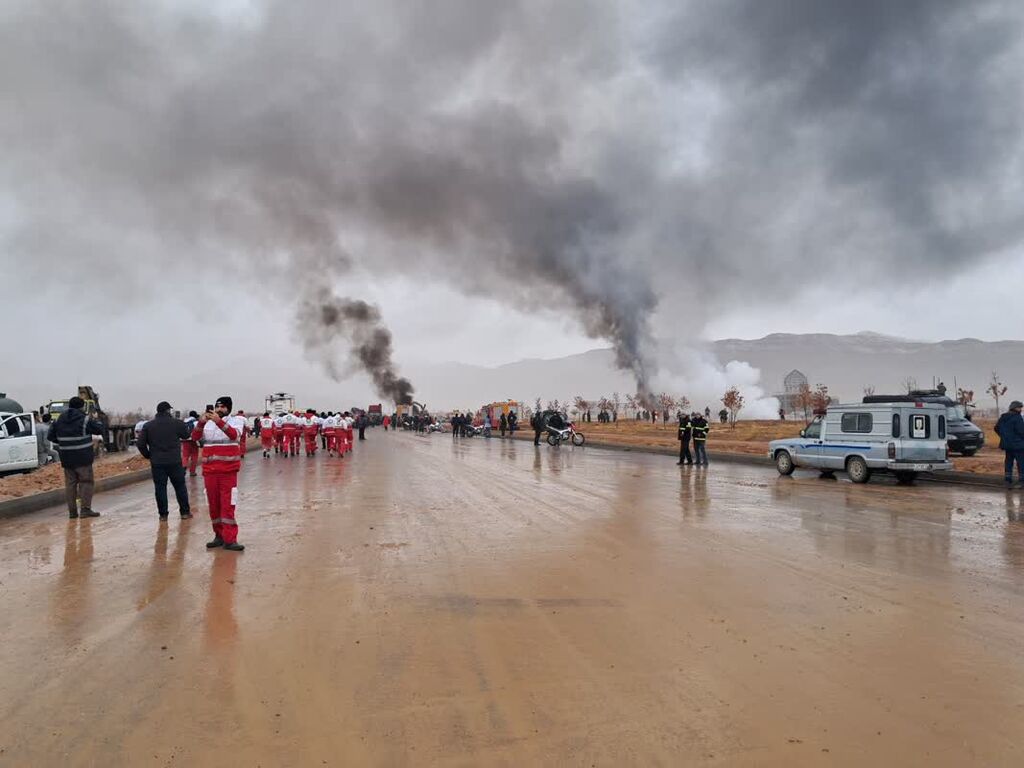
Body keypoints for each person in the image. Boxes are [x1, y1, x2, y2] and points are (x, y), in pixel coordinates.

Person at [192, 396, 245, 552]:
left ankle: (230, 539)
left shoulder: (236, 421)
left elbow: (234, 435)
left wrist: (218, 421)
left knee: (227, 506)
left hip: (228, 471)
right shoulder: (206, 423)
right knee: (214, 506)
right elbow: (194, 437)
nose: (218, 409)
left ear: (229, 408)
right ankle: (219, 536)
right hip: (210, 471)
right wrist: (201, 422)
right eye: (217, 407)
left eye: (222, 407)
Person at [47, 395, 105, 519]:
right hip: (83, 457)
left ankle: (72, 512)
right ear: (82, 407)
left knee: (70, 485)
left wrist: (64, 442)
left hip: (67, 458)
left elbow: (50, 437)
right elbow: (100, 430)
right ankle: (85, 510)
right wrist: (97, 419)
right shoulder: (84, 419)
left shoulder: (59, 420)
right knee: (86, 482)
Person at [137, 401, 192, 521]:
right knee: (180, 486)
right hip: (174, 461)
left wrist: (148, 455)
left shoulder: (148, 426)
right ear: (168, 411)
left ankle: (163, 515)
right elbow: (186, 435)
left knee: (160, 488)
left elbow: (140, 444)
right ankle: (185, 512)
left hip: (157, 463)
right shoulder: (177, 423)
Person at [994, 400, 1024, 487]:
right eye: (1019, 407)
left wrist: (1003, 436)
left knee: (1008, 462)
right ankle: (1022, 481)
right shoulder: (1017, 418)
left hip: (1007, 444)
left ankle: (1008, 480)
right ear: (1015, 408)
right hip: (1018, 445)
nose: (1021, 409)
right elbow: (1021, 431)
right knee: (1021, 463)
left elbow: (996, 428)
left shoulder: (1003, 417)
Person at [181, 411, 201, 476]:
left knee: (185, 456)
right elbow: (199, 431)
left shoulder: (184, 422)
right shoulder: (196, 422)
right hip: (193, 440)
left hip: (184, 440)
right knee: (194, 456)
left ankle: (183, 467)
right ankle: (192, 472)